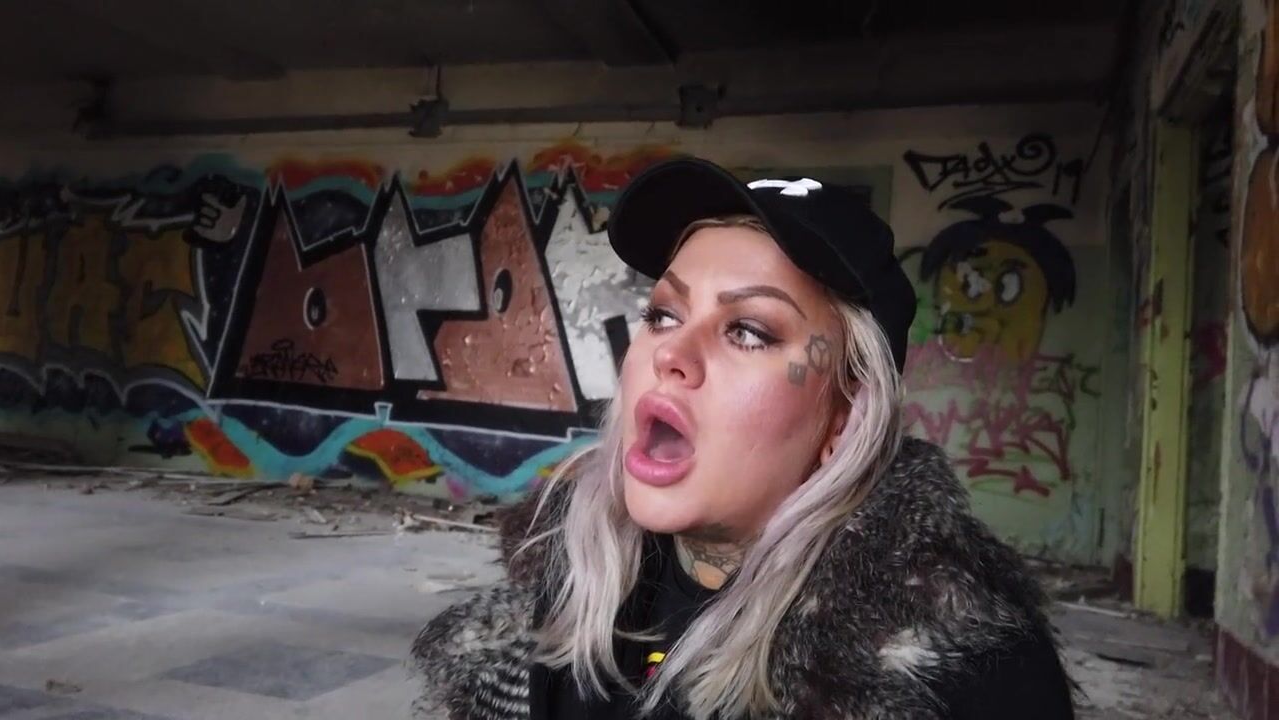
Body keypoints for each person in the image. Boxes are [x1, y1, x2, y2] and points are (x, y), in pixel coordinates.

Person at [412, 157, 1076, 719]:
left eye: (749, 331)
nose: (672, 353)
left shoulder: (970, 677)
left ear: (844, 418)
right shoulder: (560, 588)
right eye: (663, 313)